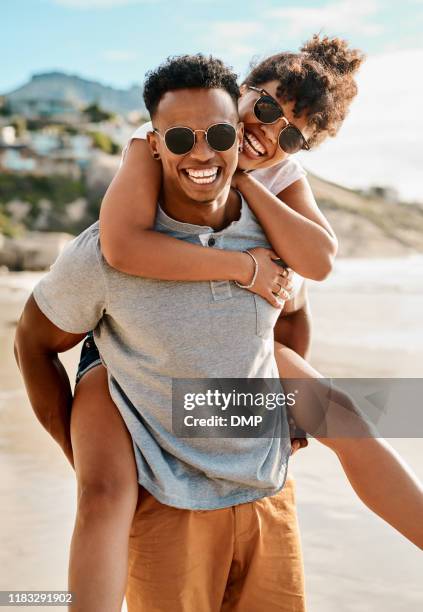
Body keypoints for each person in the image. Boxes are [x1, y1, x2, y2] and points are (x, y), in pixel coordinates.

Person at [14, 52, 423, 612]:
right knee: (104, 494)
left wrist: (271, 413)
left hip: (230, 377)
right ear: (242, 89)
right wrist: (243, 265)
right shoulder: (157, 141)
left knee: (346, 415)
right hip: (119, 357)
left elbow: (305, 285)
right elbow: (122, 246)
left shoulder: (276, 181)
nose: (267, 134)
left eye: (293, 135)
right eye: (266, 107)